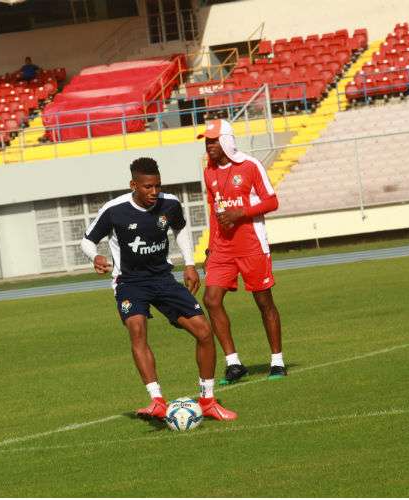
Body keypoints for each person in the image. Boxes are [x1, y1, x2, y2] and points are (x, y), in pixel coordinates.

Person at [81, 157, 237, 421]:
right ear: (133, 185)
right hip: (130, 282)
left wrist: (189, 264)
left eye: (157, 186)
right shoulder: (114, 210)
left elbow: (181, 229)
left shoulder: (171, 204)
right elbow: (87, 240)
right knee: (138, 330)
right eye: (147, 187)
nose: (154, 192)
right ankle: (157, 401)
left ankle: (208, 401)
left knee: (204, 331)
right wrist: (94, 256)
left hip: (163, 279)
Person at [198, 119, 286, 384]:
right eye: (206, 141)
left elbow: (272, 201)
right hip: (223, 249)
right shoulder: (208, 172)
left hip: (250, 245)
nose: (208, 145)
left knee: (263, 302)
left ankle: (277, 361)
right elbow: (214, 211)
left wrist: (241, 213)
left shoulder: (250, 166)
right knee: (211, 299)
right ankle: (233, 363)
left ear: (226, 140)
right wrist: (211, 247)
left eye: (213, 140)